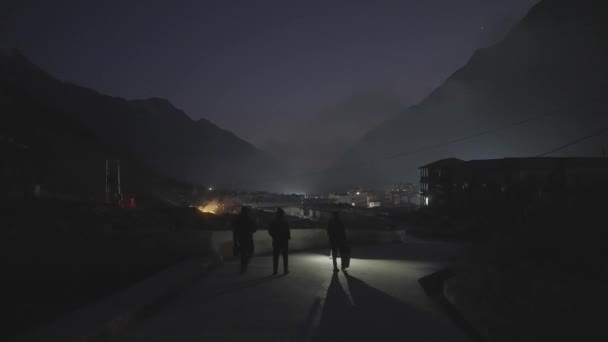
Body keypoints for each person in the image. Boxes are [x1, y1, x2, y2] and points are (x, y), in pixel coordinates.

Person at [233, 206, 257, 274]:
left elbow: (235, 230)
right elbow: (254, 228)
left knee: (244, 253)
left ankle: (243, 267)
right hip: (248, 238)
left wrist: (235, 241)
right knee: (249, 252)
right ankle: (244, 265)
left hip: (241, 238)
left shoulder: (238, 219)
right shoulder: (249, 219)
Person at [268, 208, 291, 275]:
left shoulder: (273, 222)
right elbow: (287, 231)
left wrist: (274, 236)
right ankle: (285, 270)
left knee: (275, 257)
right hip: (284, 241)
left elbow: (270, 230)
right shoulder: (285, 222)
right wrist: (287, 238)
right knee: (285, 256)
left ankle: (275, 271)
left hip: (276, 241)